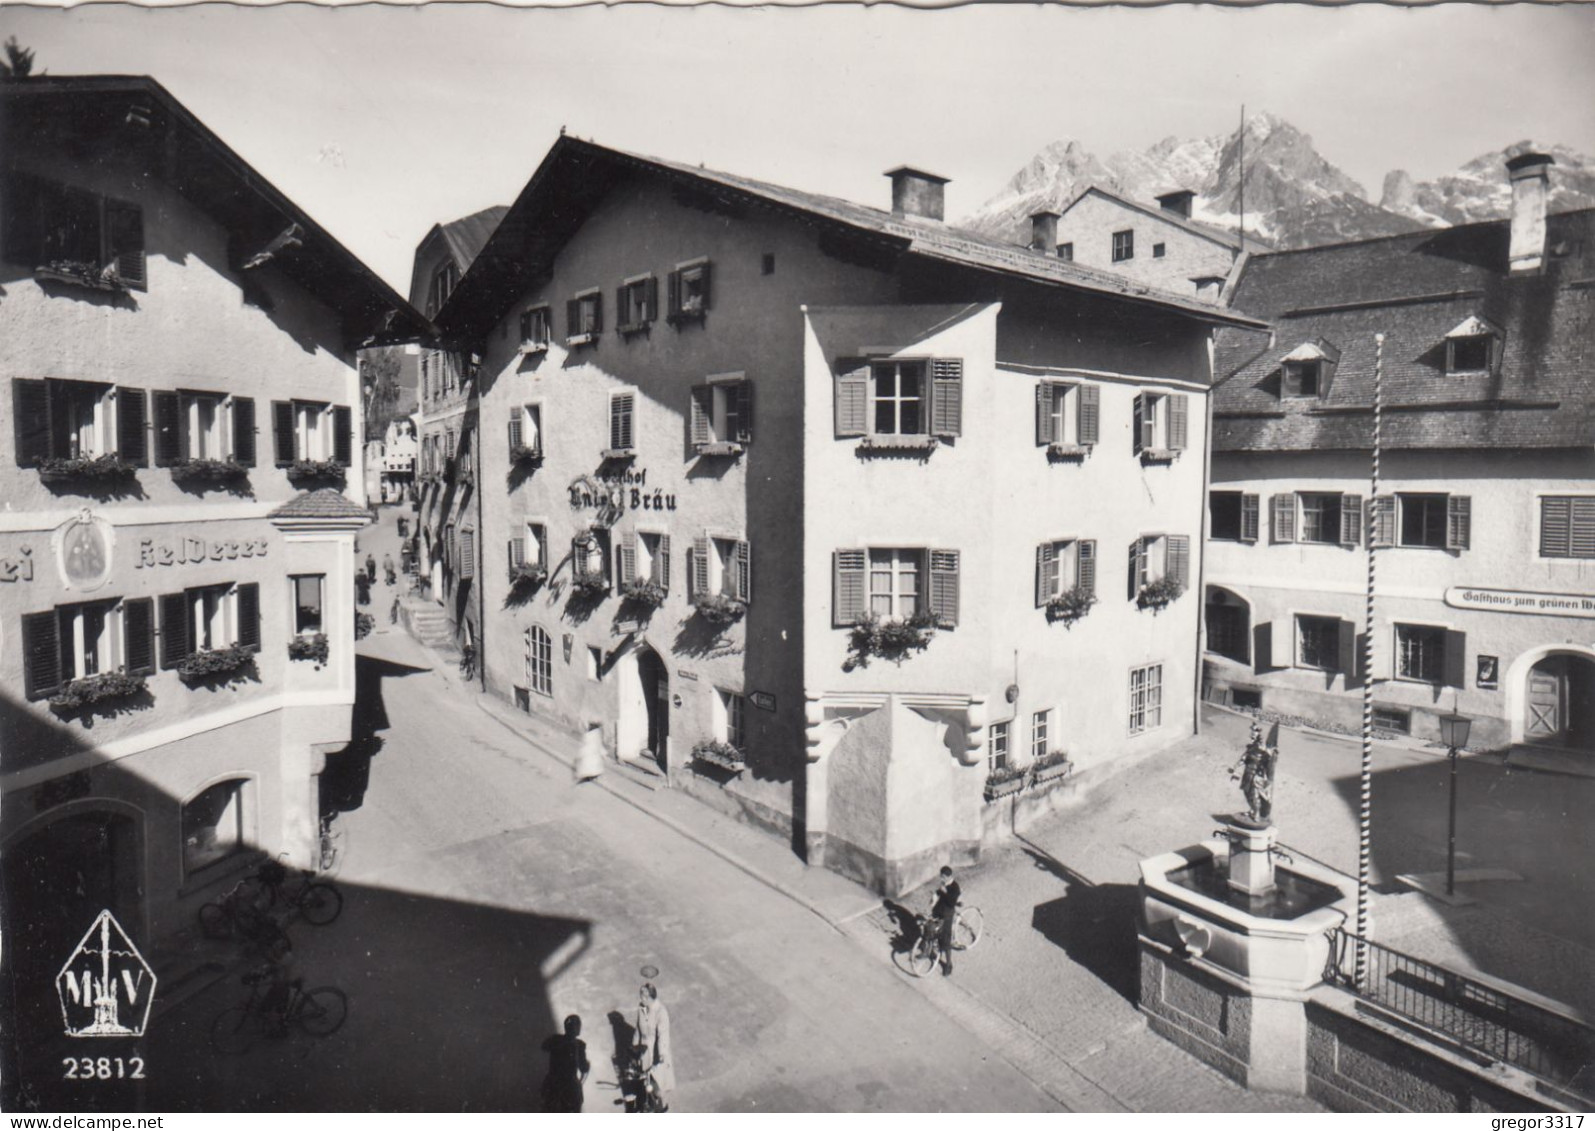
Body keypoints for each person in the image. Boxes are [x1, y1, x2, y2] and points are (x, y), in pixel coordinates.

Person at [634, 983, 674, 1112]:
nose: (640, 999)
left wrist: (661, 1054)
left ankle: (660, 1108)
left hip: (656, 1054)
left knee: (658, 1086)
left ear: (648, 997)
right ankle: (647, 1104)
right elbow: (637, 1029)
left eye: (642, 996)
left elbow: (663, 1035)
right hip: (645, 1051)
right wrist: (634, 1046)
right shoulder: (642, 1008)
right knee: (645, 1080)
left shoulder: (661, 1012)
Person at [539, 1014, 590, 1113]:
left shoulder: (556, 1039)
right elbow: (583, 1068)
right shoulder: (579, 1045)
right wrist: (587, 1066)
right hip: (569, 1087)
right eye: (578, 1026)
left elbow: (544, 1046)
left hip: (552, 1083)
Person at [928, 866, 961, 977]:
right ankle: (927, 951)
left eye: (943, 877)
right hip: (939, 910)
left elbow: (951, 902)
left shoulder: (955, 887)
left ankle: (948, 964)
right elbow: (939, 893)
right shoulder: (944, 884)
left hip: (947, 914)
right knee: (930, 928)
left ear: (949, 876)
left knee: (946, 939)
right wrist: (934, 896)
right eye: (941, 876)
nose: (941, 879)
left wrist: (945, 892)